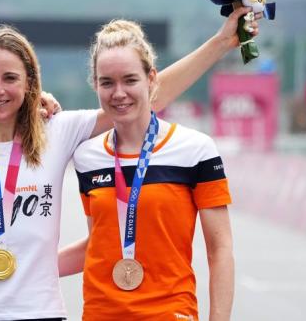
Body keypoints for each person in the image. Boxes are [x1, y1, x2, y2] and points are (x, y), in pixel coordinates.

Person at [0, 9, 254, 320]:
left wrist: (221, 43)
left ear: (30, 83)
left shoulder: (59, 131)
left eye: (11, 77)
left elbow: (144, 96)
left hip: (45, 311)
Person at [60, 20, 234, 321]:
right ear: (96, 85)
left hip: (170, 313)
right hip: (101, 314)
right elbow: (100, 242)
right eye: (107, 82)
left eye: (130, 80)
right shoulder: (88, 157)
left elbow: (219, 250)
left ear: (151, 79)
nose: (118, 93)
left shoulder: (195, 149)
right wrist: (23, 268)